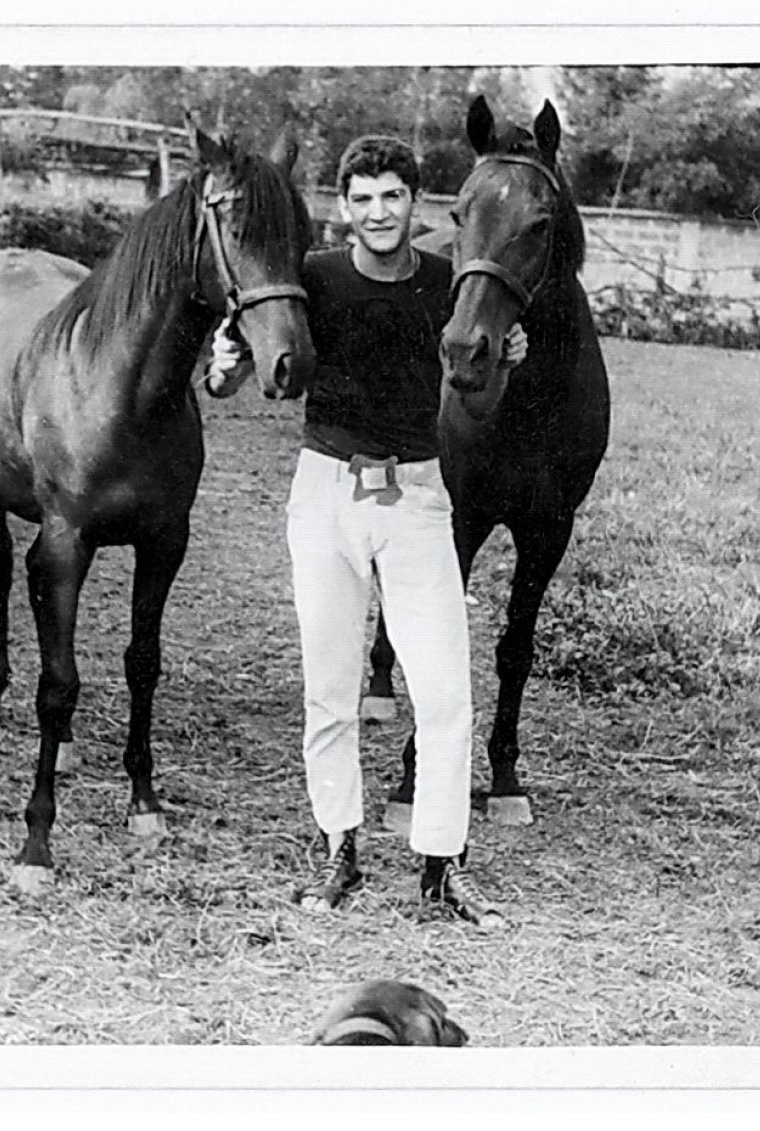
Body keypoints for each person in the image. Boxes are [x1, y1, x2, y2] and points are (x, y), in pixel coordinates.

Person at [208, 135, 525, 929]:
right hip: (326, 494)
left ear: (414, 203)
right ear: (344, 207)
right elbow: (233, 375)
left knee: (447, 695)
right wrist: (223, 360)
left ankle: (441, 868)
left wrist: (505, 365)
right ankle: (337, 850)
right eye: (363, 199)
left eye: (393, 197)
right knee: (330, 689)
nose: (379, 212)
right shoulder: (312, 276)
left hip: (417, 495)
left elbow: (477, 407)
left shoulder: (448, 286)